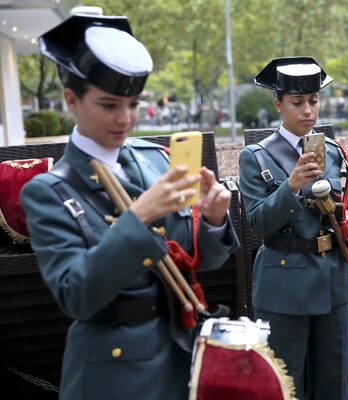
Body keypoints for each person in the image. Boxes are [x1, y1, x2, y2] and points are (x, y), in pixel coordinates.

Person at [20, 14, 239, 400]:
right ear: (71, 100)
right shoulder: (48, 191)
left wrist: (213, 220)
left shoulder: (156, 159)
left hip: (180, 351)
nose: (125, 119)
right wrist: (139, 217)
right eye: (108, 105)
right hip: (113, 372)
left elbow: (191, 260)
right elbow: (77, 296)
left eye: (134, 103)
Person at [238, 57, 348, 399]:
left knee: (333, 383)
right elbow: (258, 222)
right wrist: (289, 187)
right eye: (297, 103)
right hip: (284, 282)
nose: (308, 110)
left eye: (314, 101)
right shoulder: (255, 157)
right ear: (279, 105)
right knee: (286, 386)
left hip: (332, 277)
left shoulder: (331, 151)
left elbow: (344, 207)